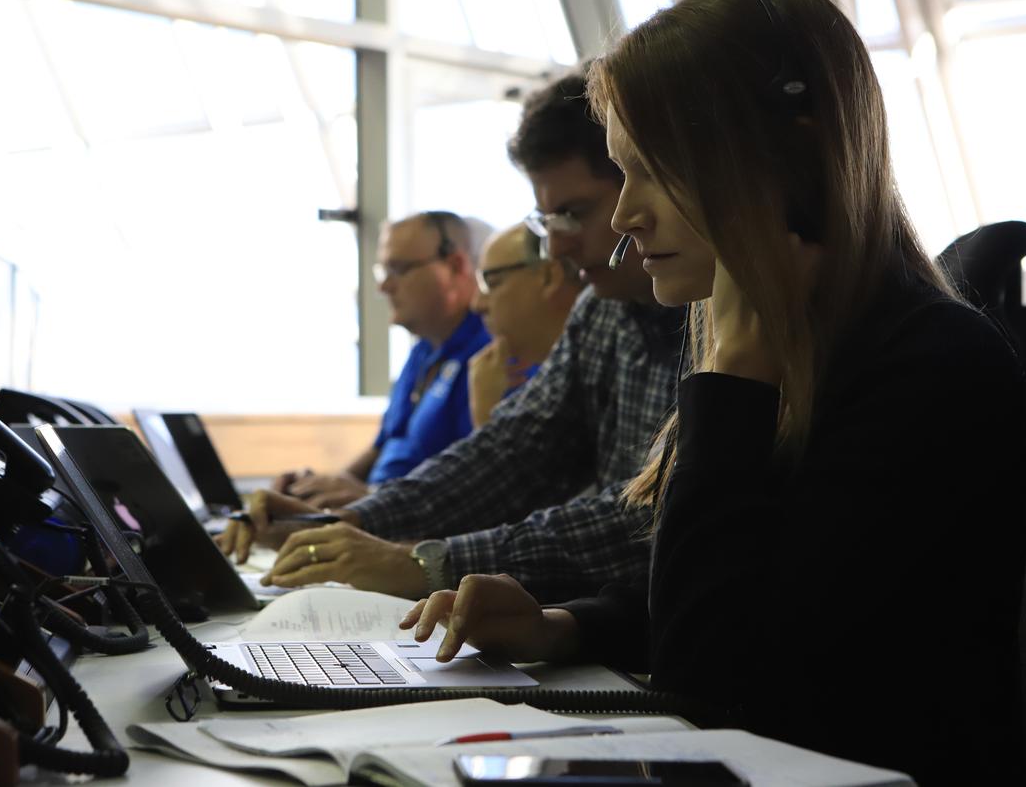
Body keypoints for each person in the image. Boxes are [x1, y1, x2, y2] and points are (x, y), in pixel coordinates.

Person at [400, 0, 1026, 787]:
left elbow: (716, 685)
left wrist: (728, 383)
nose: (625, 215)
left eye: (656, 171)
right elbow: (751, 582)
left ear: (784, 161)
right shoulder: (813, 347)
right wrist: (559, 625)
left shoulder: (932, 370)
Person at [218, 64, 684, 603]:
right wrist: (346, 521)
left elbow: (652, 520)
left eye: (574, 214)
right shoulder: (604, 313)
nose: (557, 248)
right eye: (548, 221)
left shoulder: (719, 317)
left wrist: (426, 563)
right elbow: (510, 454)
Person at [271, 211, 488, 509]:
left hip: (415, 531)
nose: (383, 287)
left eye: (399, 269)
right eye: (383, 271)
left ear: (455, 266)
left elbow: (481, 489)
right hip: (377, 512)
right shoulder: (422, 352)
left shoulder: (491, 355)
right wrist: (312, 494)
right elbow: (383, 446)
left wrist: (372, 499)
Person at [468, 222, 582, 427]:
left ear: (549, 276)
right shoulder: (550, 376)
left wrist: (485, 412)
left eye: (492, 283)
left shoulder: (592, 374)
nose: (477, 305)